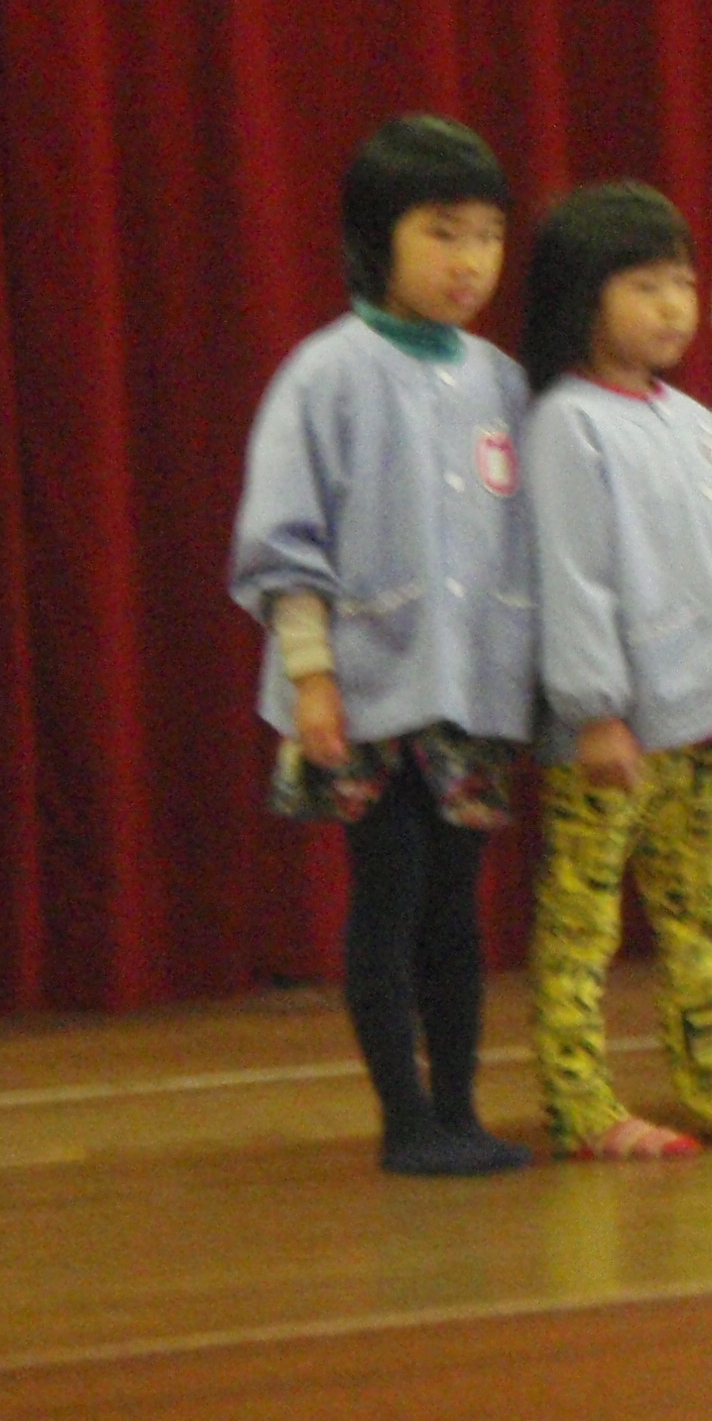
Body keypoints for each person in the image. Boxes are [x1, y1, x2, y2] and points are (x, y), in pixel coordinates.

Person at [228, 115, 534, 1176]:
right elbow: (284, 542)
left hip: (470, 697)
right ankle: (405, 1118)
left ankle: (459, 1107)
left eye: (487, 236)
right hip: (366, 694)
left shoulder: (502, 381)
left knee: (457, 912)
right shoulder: (326, 374)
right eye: (442, 233)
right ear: (376, 236)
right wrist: (313, 678)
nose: (470, 261)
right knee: (390, 900)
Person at [521, 184, 712, 1158]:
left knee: (700, 925)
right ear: (584, 297)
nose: (675, 306)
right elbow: (574, 577)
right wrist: (595, 710)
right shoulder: (568, 423)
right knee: (583, 925)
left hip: (700, 729)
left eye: (682, 283)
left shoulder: (692, 421)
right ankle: (580, 1102)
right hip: (613, 738)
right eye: (645, 286)